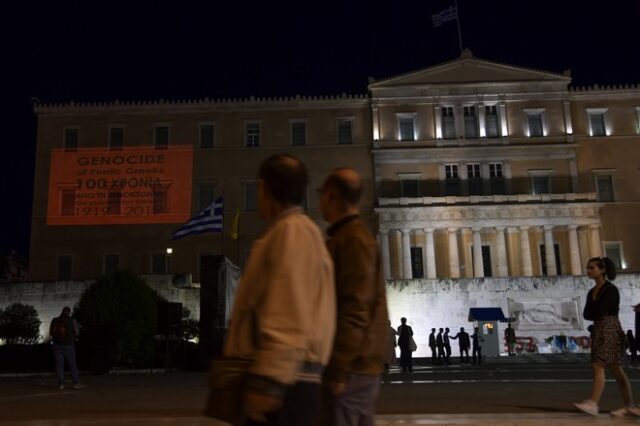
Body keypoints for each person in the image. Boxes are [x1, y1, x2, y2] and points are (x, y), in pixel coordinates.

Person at [223, 154, 336, 425]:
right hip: (290, 380)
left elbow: (288, 314)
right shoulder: (295, 231)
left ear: (265, 188)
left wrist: (268, 383)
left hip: (285, 386)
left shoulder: (291, 232)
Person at [318, 167, 389, 426]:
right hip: (357, 366)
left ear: (332, 196)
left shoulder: (353, 240)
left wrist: (339, 366)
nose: (320, 201)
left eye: (322, 194)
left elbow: (356, 308)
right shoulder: (349, 237)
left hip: (353, 368)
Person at [574, 257, 640, 418]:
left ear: (602, 270)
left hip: (610, 327)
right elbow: (587, 314)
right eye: (588, 268)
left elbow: (603, 309)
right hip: (599, 328)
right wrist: (598, 311)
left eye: (592, 268)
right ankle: (630, 406)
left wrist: (597, 311)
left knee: (598, 365)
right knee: (616, 369)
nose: (588, 271)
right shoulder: (592, 291)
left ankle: (593, 403)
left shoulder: (611, 289)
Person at [49, 306, 86, 390]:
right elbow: (77, 333)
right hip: (68, 345)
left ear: (61, 312)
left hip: (56, 346)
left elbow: (51, 333)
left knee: (59, 365)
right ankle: (76, 383)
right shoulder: (72, 320)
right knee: (72, 365)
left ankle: (61, 384)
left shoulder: (54, 320)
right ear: (69, 312)